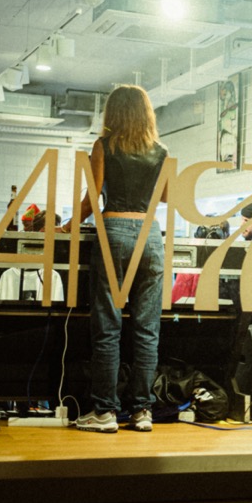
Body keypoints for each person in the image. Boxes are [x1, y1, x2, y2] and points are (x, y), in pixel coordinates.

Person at [59, 85, 168, 434]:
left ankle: (105, 412)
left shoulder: (104, 146)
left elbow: (92, 199)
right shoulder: (161, 151)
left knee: (108, 326)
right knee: (147, 330)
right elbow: (165, 196)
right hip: (151, 235)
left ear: (114, 113)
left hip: (115, 231)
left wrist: (66, 225)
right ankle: (142, 411)